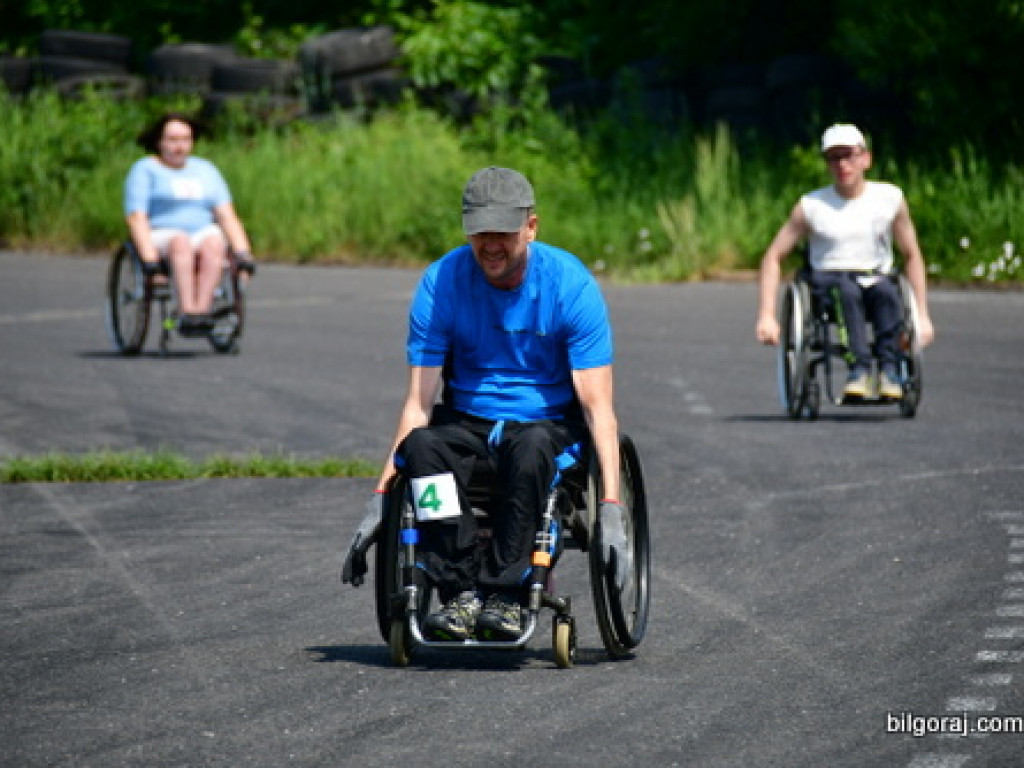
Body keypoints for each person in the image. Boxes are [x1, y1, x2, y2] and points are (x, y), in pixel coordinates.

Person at [341, 166, 630, 642]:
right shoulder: (442, 283)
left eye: (503, 232)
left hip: (547, 421)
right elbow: (418, 403)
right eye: (480, 233)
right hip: (469, 419)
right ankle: (459, 592)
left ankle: (506, 592)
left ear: (531, 227)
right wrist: (379, 499)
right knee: (421, 448)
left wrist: (613, 509)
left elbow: (599, 410)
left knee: (532, 446)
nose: (490, 244)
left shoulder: (571, 286)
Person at [755, 123, 935, 400]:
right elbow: (773, 256)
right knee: (847, 293)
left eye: (849, 155)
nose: (842, 164)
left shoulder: (889, 199)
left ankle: (889, 372)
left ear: (865, 158)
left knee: (887, 292)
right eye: (834, 157)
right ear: (827, 163)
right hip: (828, 279)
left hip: (875, 275)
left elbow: (912, 255)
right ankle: (859, 372)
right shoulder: (811, 206)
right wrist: (767, 315)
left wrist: (922, 316)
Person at [124, 112, 255, 334]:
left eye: (185, 140)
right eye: (173, 140)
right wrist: (149, 260)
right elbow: (137, 217)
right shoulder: (146, 169)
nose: (179, 146)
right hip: (161, 232)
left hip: (201, 230)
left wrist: (243, 252)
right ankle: (187, 310)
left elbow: (226, 214)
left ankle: (201, 312)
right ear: (159, 142)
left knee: (215, 243)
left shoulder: (205, 170)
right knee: (180, 242)